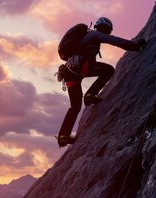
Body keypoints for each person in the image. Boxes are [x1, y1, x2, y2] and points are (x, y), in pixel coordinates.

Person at [56, 17, 146, 147]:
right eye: (106, 30)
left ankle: (63, 136)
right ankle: (90, 95)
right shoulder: (94, 35)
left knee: (75, 106)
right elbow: (116, 41)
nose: (106, 33)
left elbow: (89, 61)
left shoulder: (86, 41)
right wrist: (135, 46)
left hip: (70, 73)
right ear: (101, 27)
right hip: (79, 69)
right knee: (108, 70)